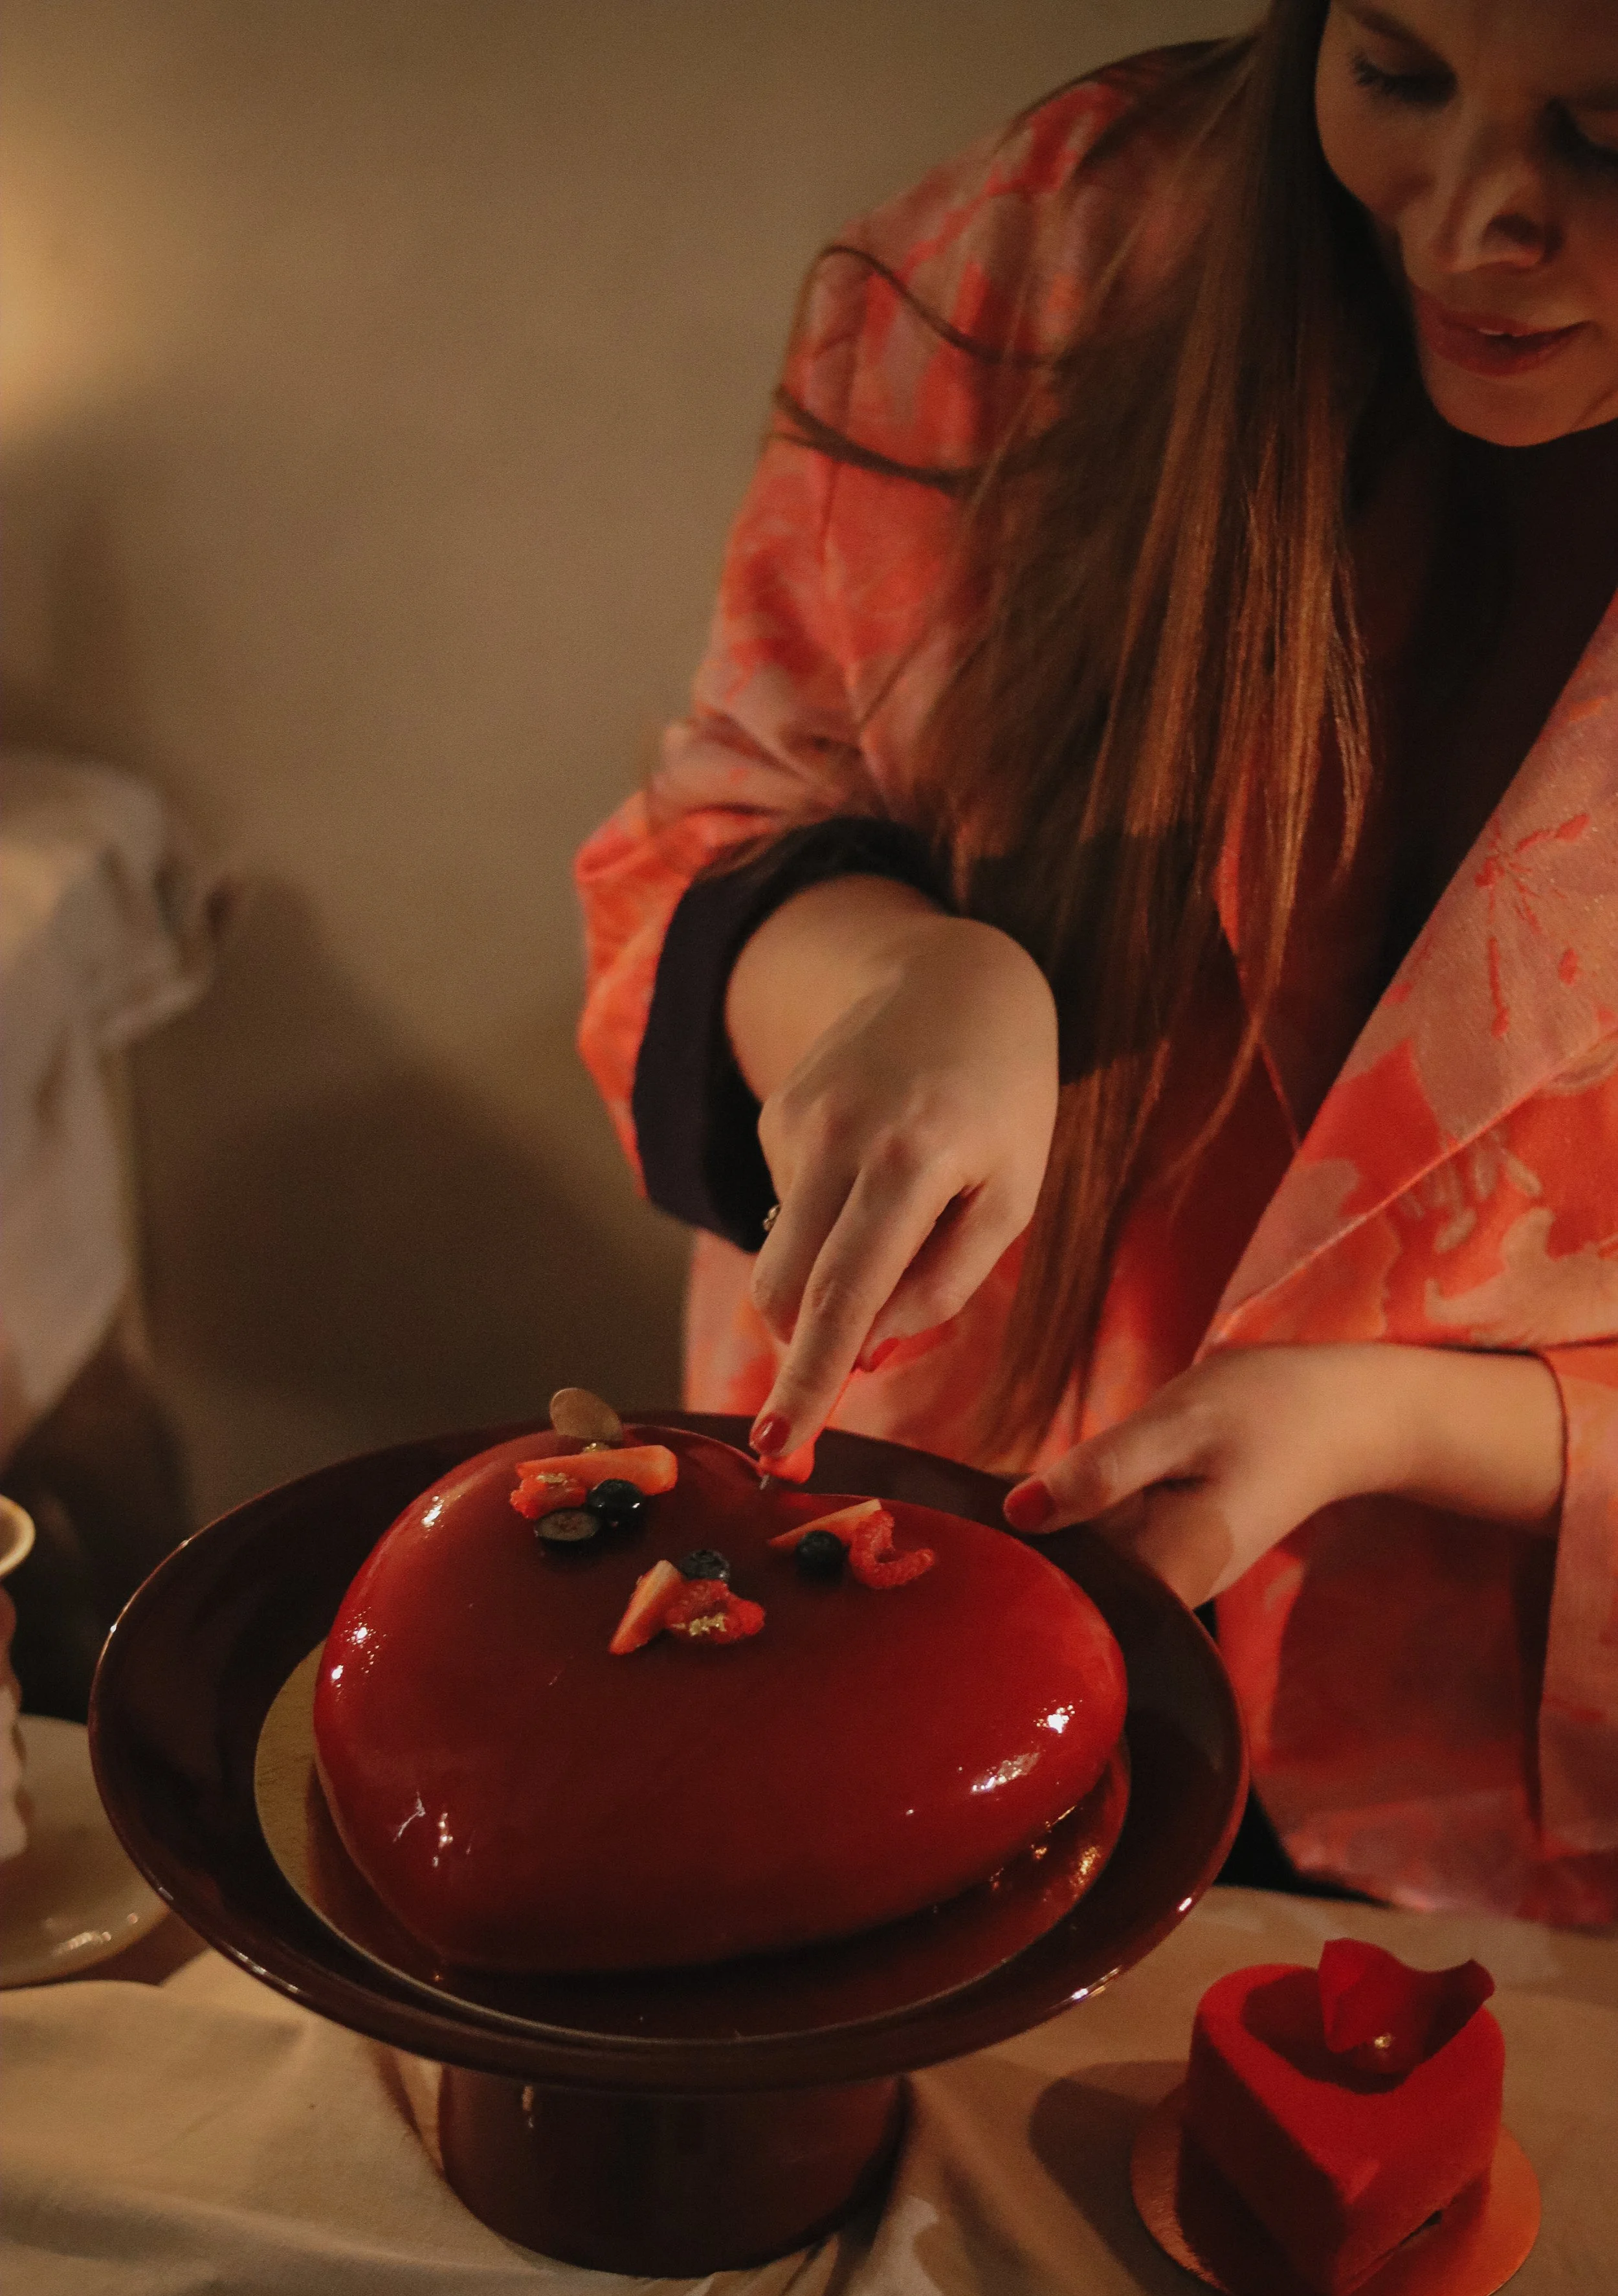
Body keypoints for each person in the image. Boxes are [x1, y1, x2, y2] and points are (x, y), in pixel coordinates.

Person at [575, 0, 1618, 1923]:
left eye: (1605, 136)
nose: (1474, 220)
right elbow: (721, 819)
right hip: (934, 1570)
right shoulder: (1047, 260)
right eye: (1394, 74)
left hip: (1478, 1778)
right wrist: (890, 970)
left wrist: (1401, 1418)